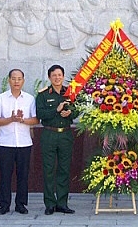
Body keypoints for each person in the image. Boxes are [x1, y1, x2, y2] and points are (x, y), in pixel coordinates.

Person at [0, 69, 38, 215]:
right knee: (5, 175)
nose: (16, 81)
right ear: (9, 80)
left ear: (23, 81)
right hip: (5, 143)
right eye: (13, 78)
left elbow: (36, 120)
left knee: (23, 175)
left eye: (19, 79)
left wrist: (22, 120)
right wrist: (11, 119)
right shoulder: (1, 98)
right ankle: (4, 205)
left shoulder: (30, 99)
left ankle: (21, 204)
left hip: (24, 143)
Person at [36, 64, 79, 215]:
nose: (57, 78)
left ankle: (62, 203)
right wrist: (57, 109)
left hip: (65, 135)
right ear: (49, 77)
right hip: (49, 134)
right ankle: (49, 203)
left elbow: (77, 110)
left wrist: (70, 113)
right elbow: (40, 114)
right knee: (48, 170)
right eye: (54, 75)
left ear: (63, 76)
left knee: (64, 169)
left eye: (59, 75)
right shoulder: (43, 95)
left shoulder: (70, 93)